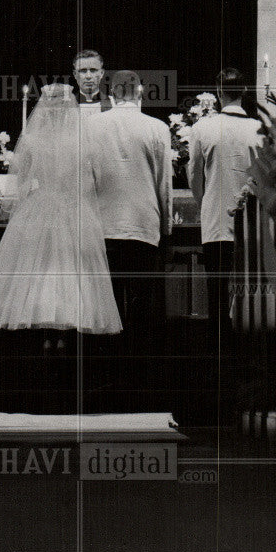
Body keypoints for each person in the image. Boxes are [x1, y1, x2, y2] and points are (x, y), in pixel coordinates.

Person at [0, 83, 121, 343]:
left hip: (40, 204)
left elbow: (20, 183)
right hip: (73, 206)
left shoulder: (31, 139)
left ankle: (40, 323)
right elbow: (94, 179)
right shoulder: (83, 138)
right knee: (70, 265)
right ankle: (69, 320)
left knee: (40, 265)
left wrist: (25, 205)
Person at [88, 70, 173, 409]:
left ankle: (103, 380)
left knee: (103, 306)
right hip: (142, 225)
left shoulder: (91, 127)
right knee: (141, 308)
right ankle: (137, 384)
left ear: (109, 94)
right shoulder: (157, 128)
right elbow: (163, 183)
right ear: (140, 93)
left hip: (101, 226)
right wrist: (166, 228)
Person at [187, 68, 261, 342]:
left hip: (216, 215)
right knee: (247, 279)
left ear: (218, 93)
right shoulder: (257, 129)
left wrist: (203, 201)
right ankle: (247, 332)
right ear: (244, 92)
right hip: (250, 218)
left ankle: (218, 337)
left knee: (216, 282)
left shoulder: (202, 128)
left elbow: (194, 174)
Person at [73, 49, 113, 116]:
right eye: (83, 71)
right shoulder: (66, 106)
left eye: (93, 70)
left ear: (101, 73)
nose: (88, 76)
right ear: (75, 74)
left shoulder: (115, 104)